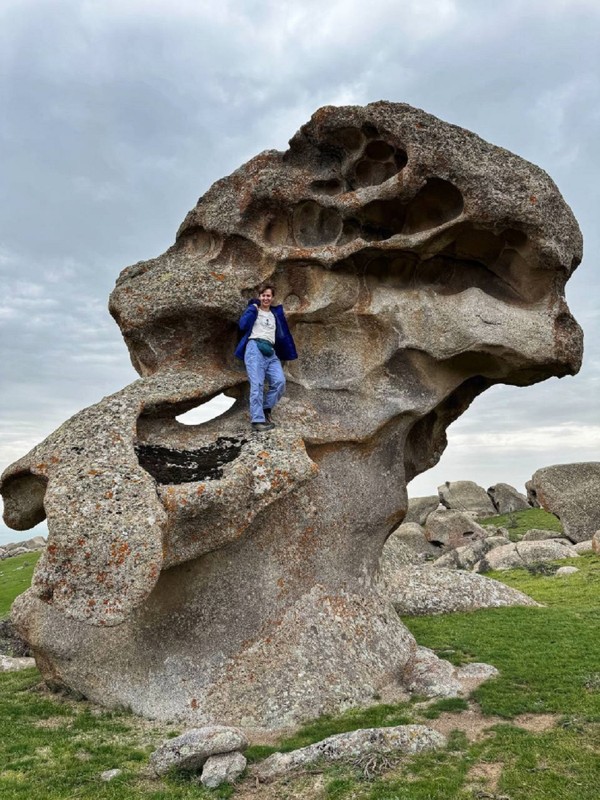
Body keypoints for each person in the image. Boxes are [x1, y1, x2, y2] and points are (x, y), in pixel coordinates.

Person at [234, 283, 298, 431]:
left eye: (268, 295)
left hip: (270, 351)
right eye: (263, 295)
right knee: (257, 385)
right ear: (259, 297)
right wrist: (252, 309)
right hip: (254, 348)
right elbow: (243, 325)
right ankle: (257, 421)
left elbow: (282, 335)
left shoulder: (275, 314)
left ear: (272, 297)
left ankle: (266, 409)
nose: (266, 298)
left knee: (280, 382)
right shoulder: (254, 311)